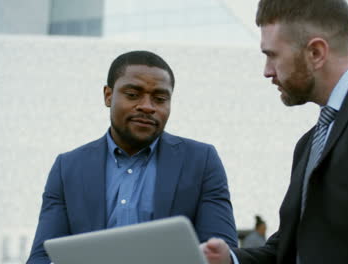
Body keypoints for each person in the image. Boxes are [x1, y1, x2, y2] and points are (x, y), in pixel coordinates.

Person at [201, 0, 348, 263]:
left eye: (272, 55)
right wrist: (230, 260)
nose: (267, 71)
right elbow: (288, 250)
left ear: (315, 53)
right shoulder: (309, 143)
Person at [27, 50, 238, 264]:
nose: (147, 106)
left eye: (160, 98)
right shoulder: (68, 168)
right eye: (133, 94)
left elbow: (220, 252)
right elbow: (42, 257)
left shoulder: (201, 161)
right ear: (108, 96)